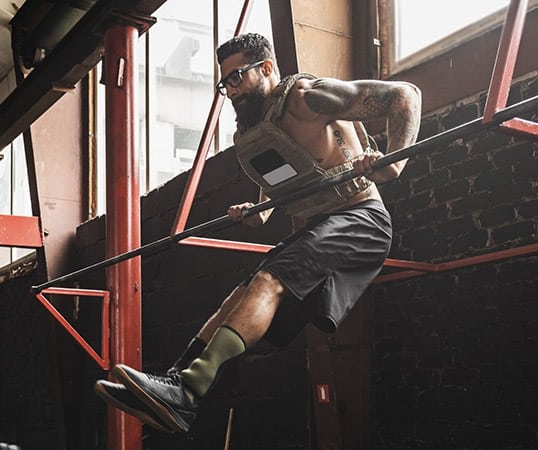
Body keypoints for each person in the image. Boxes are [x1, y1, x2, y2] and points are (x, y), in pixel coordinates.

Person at [94, 32, 421, 434]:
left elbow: (404, 95)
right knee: (239, 297)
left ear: (266, 68)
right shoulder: (258, 133)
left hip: (360, 217)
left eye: (238, 78)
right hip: (320, 226)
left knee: (269, 280)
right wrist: (252, 214)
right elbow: (275, 201)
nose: (231, 90)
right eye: (225, 82)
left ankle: (190, 388)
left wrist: (392, 163)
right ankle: (176, 386)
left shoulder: (306, 97)